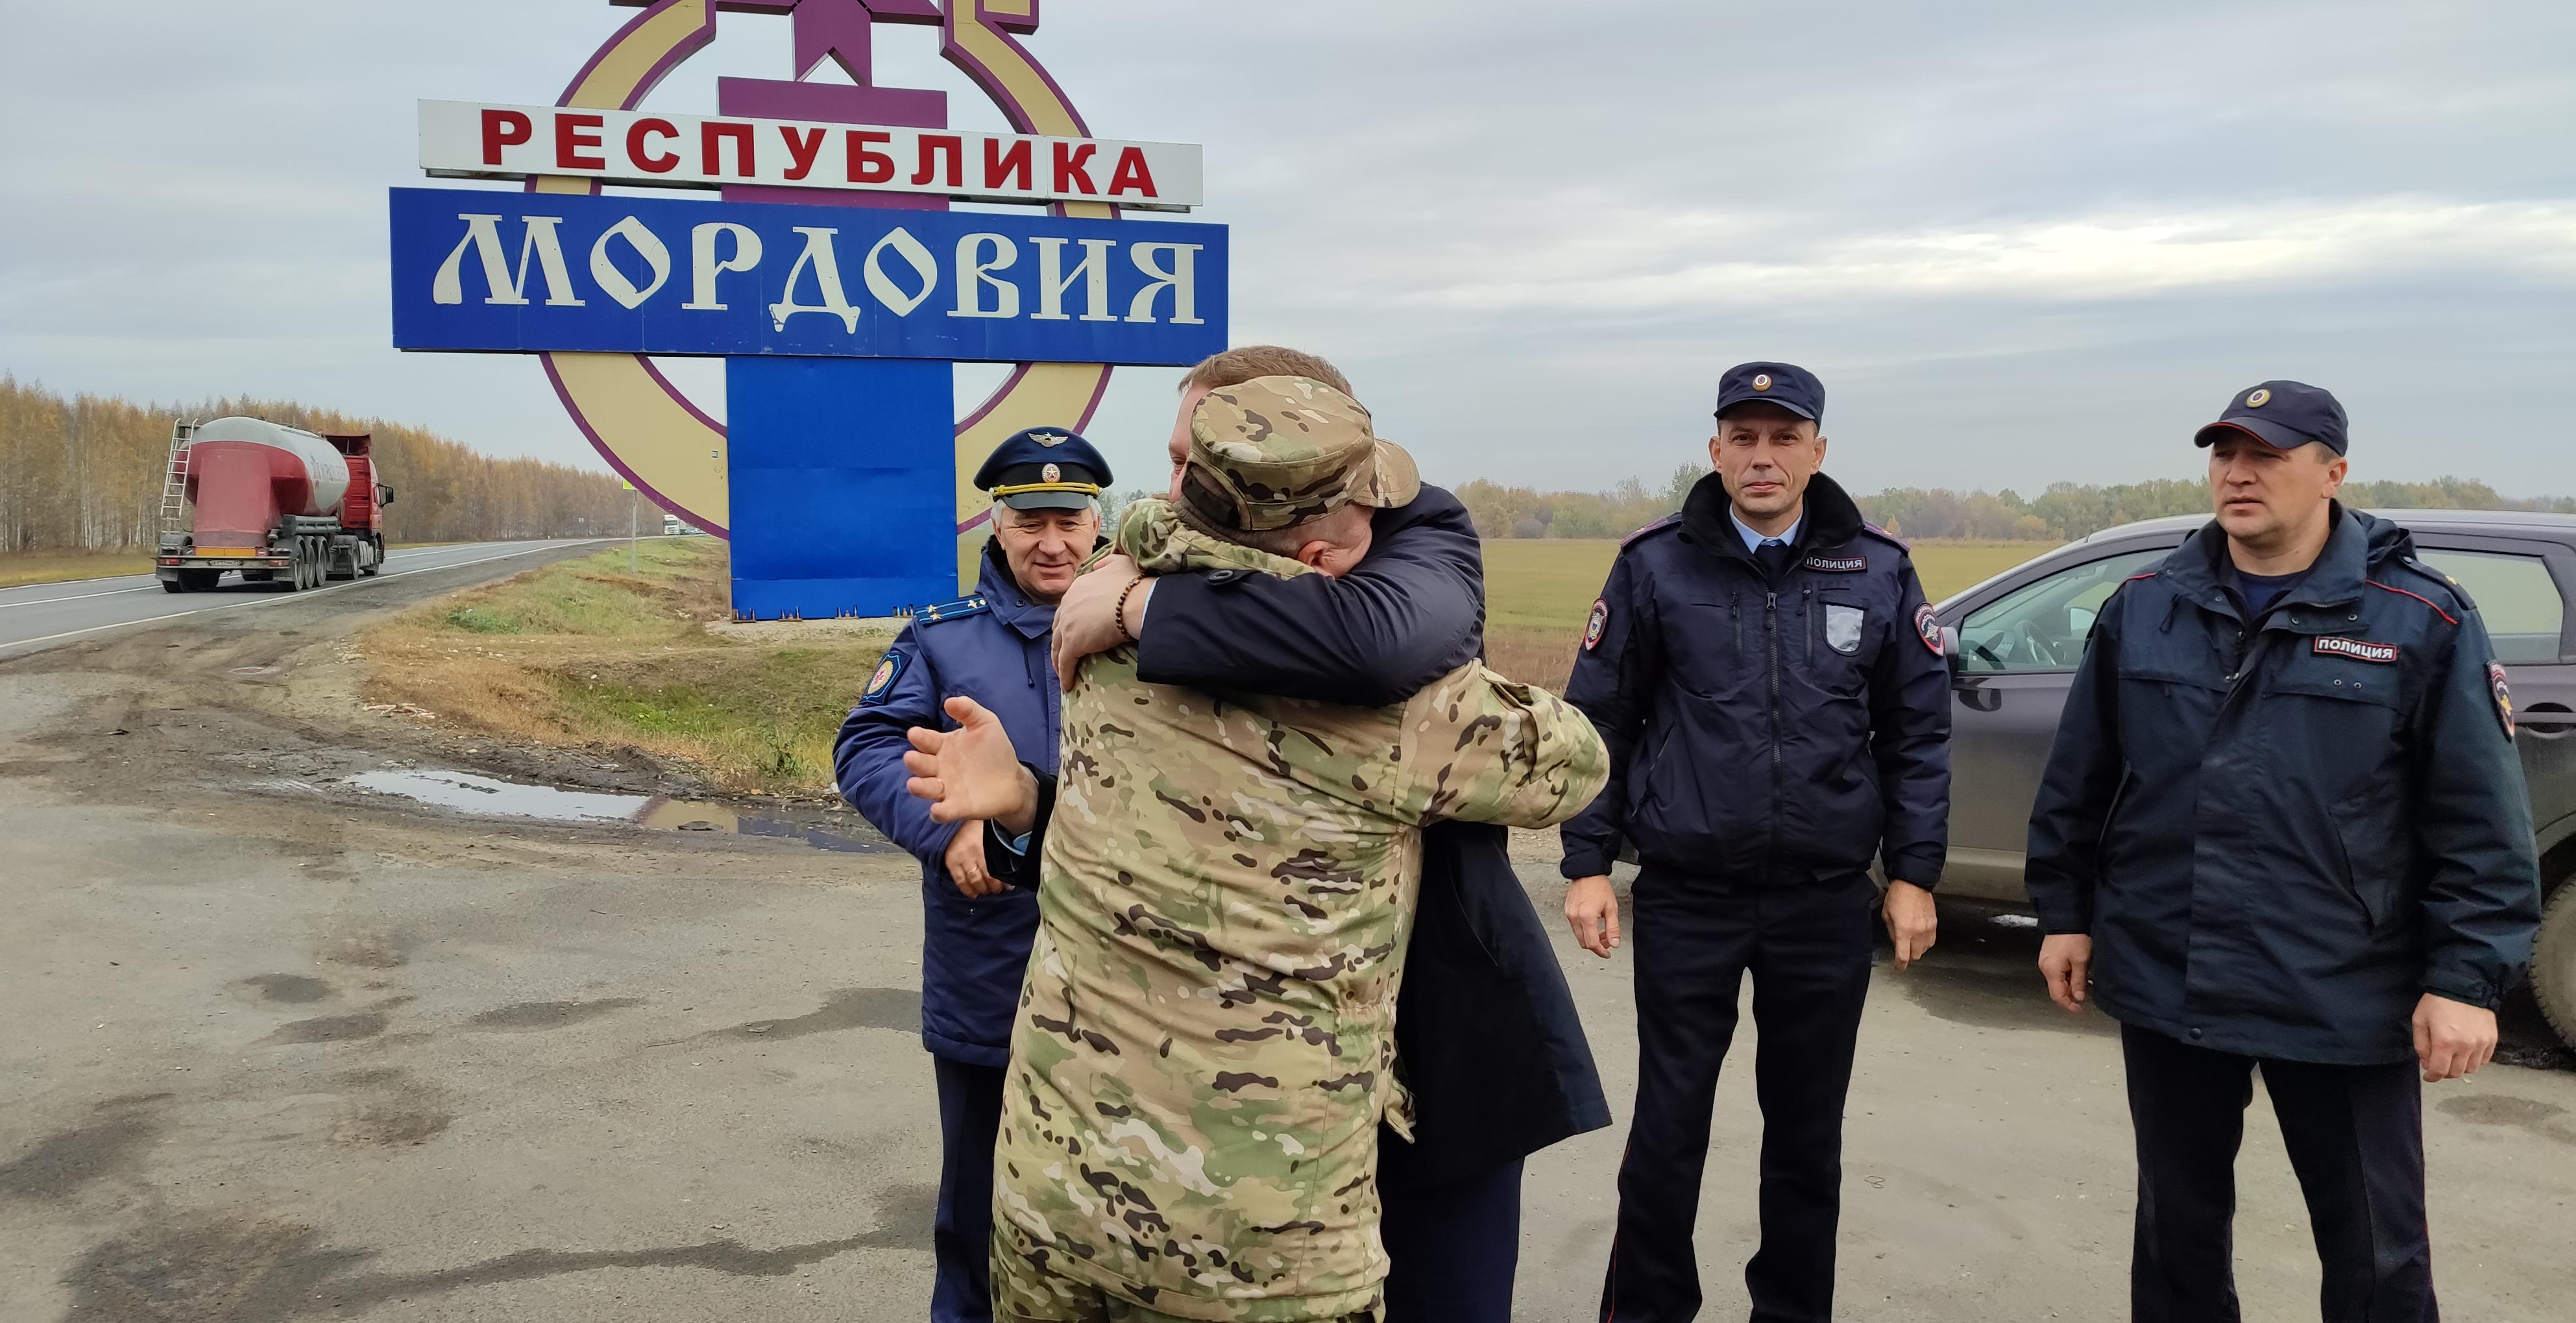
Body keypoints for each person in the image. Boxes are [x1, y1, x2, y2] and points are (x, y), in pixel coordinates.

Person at [906, 375, 1610, 1323]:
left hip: (1057, 1208)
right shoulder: (1399, 713)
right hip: (1260, 1250)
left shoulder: (1095, 637)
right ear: (1323, 550)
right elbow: (1575, 761)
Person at [2024, 380, 2540, 1323]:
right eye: (2225, 454)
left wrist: (2467, 978)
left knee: (2377, 1251)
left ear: (2333, 473)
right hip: (2170, 973)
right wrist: (2063, 913)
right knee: (2176, 1239)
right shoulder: (2145, 607)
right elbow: (2080, 783)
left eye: (2267, 454)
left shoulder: (2418, 619)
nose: (2238, 473)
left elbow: (2481, 821)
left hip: (2341, 984)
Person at [1562, 360, 1950, 1323]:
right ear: (1716, 450)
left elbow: (1917, 735)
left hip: (1823, 898)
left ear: (1818, 451)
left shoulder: (1877, 568)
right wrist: (1586, 864)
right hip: (1691, 891)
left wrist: (1913, 874)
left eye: (1784, 437)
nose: (1763, 456)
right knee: (1668, 1125)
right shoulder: (1654, 565)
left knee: (1807, 1134)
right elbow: (1600, 720)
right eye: (1744, 436)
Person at [831, 425, 1112, 1323]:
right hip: (994, 977)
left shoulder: (1150, 633)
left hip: (1134, 987)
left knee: (1126, 1225)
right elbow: (865, 743)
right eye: (1031, 521)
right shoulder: (944, 639)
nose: (1052, 542)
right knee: (981, 1224)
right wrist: (943, 825)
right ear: (998, 524)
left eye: (1069, 519)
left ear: (1098, 522)